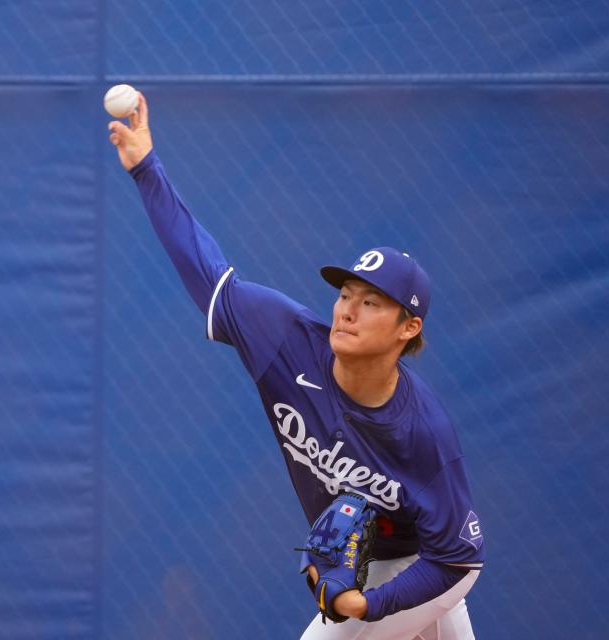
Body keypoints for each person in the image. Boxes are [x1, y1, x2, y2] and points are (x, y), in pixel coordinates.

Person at [108, 92, 485, 640]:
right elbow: (205, 269)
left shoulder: (423, 432)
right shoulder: (284, 337)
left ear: (409, 328)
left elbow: (456, 560)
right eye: (346, 294)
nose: (348, 311)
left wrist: (369, 604)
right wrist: (146, 169)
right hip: (388, 558)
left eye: (371, 302)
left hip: (433, 565)